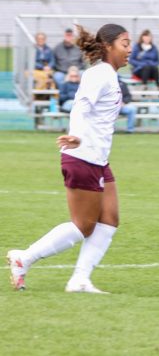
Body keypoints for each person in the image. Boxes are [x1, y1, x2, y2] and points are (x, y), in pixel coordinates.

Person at [7, 23, 132, 293]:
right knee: (84, 225)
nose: (129, 49)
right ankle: (24, 257)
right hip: (83, 156)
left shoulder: (109, 74)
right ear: (108, 47)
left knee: (109, 218)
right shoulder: (100, 74)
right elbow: (80, 106)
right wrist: (75, 135)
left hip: (97, 158)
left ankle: (80, 279)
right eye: (125, 43)